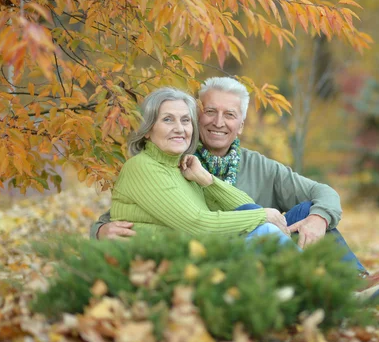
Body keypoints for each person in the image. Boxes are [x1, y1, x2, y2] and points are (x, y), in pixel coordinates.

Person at [93, 78, 379, 296]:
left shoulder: (245, 166)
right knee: (264, 225)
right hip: (218, 251)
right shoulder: (171, 160)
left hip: (241, 247)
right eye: (210, 113)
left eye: (229, 115)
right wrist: (99, 231)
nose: (218, 122)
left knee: (303, 212)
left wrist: (318, 219)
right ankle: (329, 291)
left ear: (241, 125)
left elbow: (324, 193)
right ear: (198, 117)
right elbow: (131, 212)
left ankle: (356, 282)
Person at [110, 87, 295, 246]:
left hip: (197, 255)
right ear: (148, 130)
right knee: (266, 231)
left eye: (185, 120)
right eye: (168, 119)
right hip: (162, 266)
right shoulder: (142, 167)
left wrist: (207, 180)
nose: (179, 128)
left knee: (304, 211)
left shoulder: (183, 167)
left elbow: (246, 206)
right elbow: (198, 224)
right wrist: (263, 216)